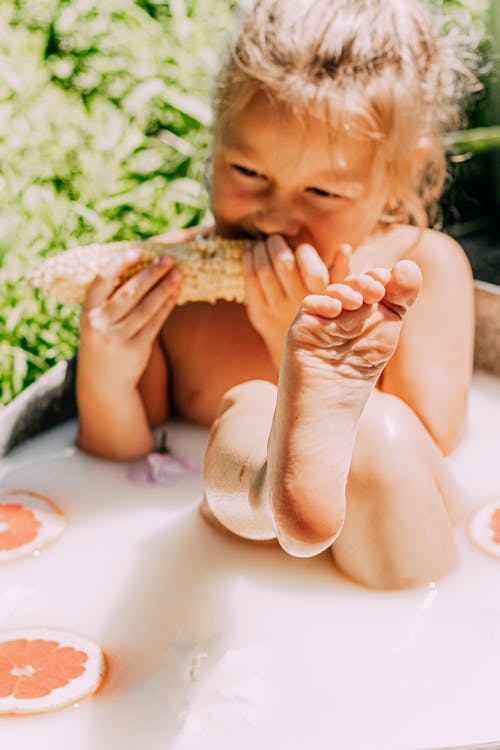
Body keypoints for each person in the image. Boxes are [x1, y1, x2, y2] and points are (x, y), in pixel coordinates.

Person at [76, 0, 478, 589]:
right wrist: (106, 371)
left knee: (375, 430)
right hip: (236, 537)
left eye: (321, 191)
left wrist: (289, 340)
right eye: (248, 172)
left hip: (392, 538)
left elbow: (435, 448)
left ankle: (299, 456)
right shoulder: (172, 289)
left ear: (399, 176)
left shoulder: (421, 271)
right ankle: (275, 489)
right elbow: (122, 458)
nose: (275, 216)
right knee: (251, 410)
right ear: (217, 136)